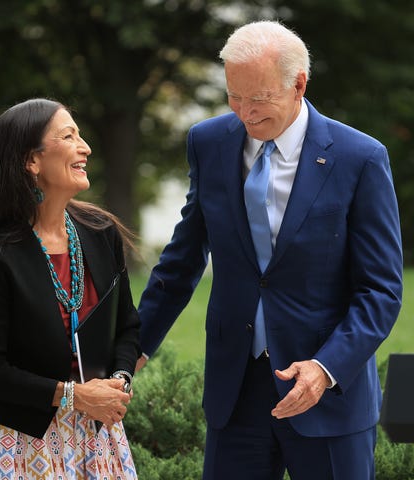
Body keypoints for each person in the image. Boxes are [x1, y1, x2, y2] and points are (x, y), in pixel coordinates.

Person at [136, 20, 403, 480]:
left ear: (299, 84)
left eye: (258, 98)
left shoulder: (361, 158)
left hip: (326, 393)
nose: (243, 112)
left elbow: (381, 291)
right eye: (233, 96)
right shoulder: (208, 143)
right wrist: (132, 347)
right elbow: (182, 260)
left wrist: (325, 367)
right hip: (235, 392)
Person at [0, 98, 140, 479]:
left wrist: (118, 381)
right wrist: (74, 397)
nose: (86, 147)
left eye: (81, 135)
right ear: (31, 161)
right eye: (69, 137)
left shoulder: (101, 233)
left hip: (98, 436)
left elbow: (127, 327)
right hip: (19, 445)